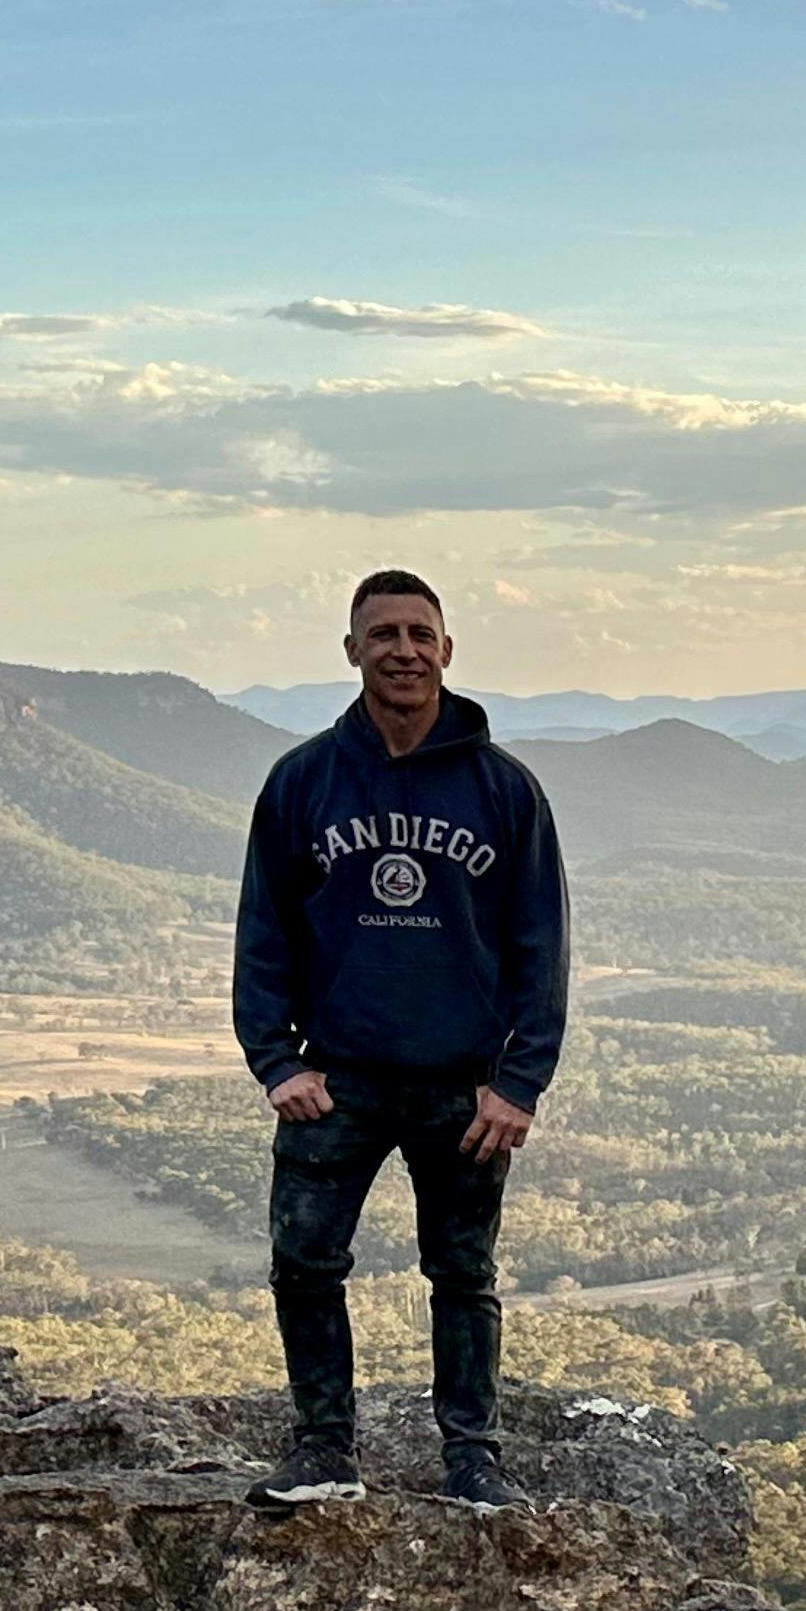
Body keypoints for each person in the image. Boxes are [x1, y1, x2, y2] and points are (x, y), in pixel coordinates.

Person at [231, 569, 568, 1510]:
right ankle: (324, 1452)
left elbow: (542, 944)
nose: (404, 650)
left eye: (421, 633)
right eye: (383, 634)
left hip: (464, 1088)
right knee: (303, 1266)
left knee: (463, 1275)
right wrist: (277, 1061)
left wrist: (520, 1082)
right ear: (352, 651)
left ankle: (472, 1459)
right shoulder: (304, 781)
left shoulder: (504, 789)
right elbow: (264, 932)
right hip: (335, 1081)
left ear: (448, 651)